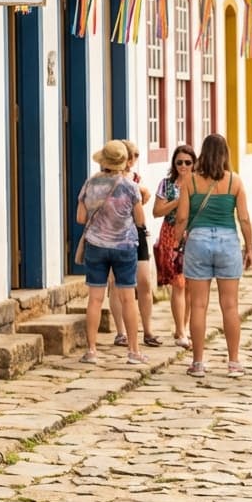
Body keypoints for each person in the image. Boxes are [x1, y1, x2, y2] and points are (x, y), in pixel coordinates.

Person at [174, 134, 252, 378]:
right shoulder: (234, 182)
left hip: (197, 240)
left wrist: (177, 242)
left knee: (198, 305)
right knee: (230, 305)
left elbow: (182, 218)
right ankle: (234, 362)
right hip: (228, 241)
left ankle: (198, 363)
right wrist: (249, 247)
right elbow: (244, 218)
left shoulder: (190, 182)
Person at [76, 140, 147, 366]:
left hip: (96, 246)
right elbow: (140, 220)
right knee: (128, 299)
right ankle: (134, 352)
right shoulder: (130, 186)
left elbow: (80, 218)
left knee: (95, 299)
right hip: (124, 247)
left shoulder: (91, 184)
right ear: (123, 162)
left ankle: (92, 350)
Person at [110, 141, 160, 348]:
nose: (132, 163)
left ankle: (147, 330)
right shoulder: (108, 179)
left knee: (144, 282)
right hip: (113, 234)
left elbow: (145, 196)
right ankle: (121, 332)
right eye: (131, 157)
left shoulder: (135, 180)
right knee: (115, 284)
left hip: (137, 232)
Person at [153, 144, 197, 348]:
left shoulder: (198, 184)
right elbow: (157, 211)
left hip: (192, 235)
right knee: (178, 283)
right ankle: (180, 330)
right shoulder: (166, 185)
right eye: (179, 162)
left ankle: (185, 326)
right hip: (171, 234)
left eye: (188, 162)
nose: (183, 166)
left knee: (189, 285)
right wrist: (178, 202)